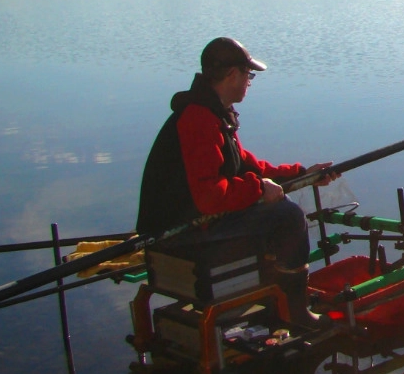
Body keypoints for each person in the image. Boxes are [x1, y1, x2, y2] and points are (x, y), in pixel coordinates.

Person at [137, 37, 336, 328]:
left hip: (195, 220)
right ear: (232, 75)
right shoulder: (199, 119)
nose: (250, 82)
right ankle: (295, 312)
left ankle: (273, 295)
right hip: (180, 233)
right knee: (289, 215)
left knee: (275, 208)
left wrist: (304, 174)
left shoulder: (213, 112)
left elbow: (246, 164)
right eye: (248, 74)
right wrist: (259, 188)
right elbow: (209, 197)